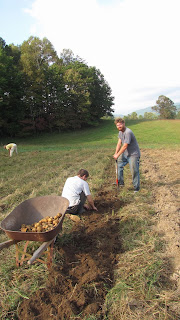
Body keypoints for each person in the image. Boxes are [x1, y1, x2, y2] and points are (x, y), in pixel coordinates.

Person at [113, 118, 140, 192]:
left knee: (134, 170)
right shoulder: (120, 132)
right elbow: (119, 143)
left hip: (133, 154)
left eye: (120, 124)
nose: (119, 126)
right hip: (125, 154)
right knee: (119, 164)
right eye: (117, 125)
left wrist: (118, 154)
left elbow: (125, 146)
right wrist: (116, 153)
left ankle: (136, 188)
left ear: (124, 124)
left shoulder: (128, 132)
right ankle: (120, 183)